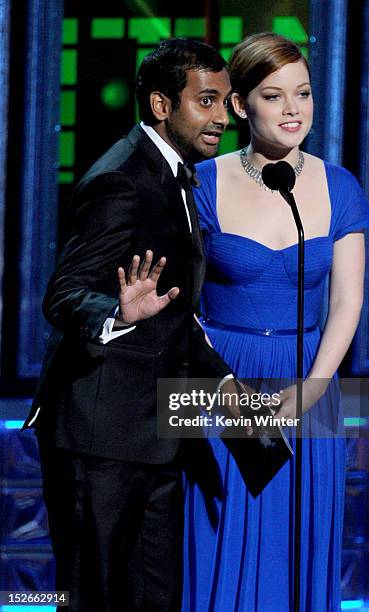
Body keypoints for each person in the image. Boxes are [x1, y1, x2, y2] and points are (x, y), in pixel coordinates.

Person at [22, 38, 232, 612]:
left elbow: (177, 315)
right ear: (162, 105)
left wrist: (239, 402)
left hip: (156, 436)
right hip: (100, 436)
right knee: (93, 594)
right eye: (207, 101)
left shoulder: (177, 174)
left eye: (226, 101)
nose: (222, 117)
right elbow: (63, 294)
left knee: (154, 596)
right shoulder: (121, 178)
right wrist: (117, 312)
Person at [183, 33, 369, 611]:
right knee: (215, 537)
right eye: (275, 95)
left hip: (309, 381)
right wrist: (223, 391)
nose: (295, 110)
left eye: (304, 94)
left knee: (296, 543)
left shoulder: (338, 186)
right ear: (241, 105)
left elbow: (347, 302)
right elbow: (180, 307)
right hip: (218, 380)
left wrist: (313, 389)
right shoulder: (203, 183)